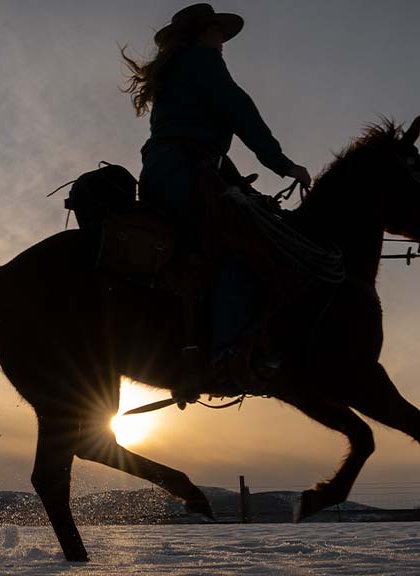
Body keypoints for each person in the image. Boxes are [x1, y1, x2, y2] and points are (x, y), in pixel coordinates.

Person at [122, 3, 312, 406]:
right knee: (245, 247)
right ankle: (227, 355)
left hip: (163, 170)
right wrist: (283, 164)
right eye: (217, 33)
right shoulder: (202, 61)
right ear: (202, 34)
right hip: (187, 171)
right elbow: (240, 111)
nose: (222, 42)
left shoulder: (174, 70)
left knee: (205, 245)